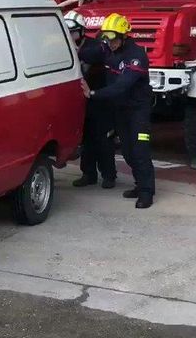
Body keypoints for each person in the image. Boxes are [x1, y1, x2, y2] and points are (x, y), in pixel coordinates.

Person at [79, 13, 156, 209]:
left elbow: (122, 86)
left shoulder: (136, 56)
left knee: (140, 151)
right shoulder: (108, 49)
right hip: (121, 110)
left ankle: (146, 192)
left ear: (123, 36)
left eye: (113, 39)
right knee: (128, 152)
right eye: (107, 38)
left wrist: (93, 93)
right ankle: (139, 185)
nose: (109, 44)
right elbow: (87, 54)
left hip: (138, 111)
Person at [65, 11, 117, 190]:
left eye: (72, 31)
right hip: (82, 101)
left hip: (100, 100)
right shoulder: (65, 46)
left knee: (103, 139)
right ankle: (88, 174)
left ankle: (109, 175)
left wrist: (74, 53)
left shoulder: (95, 46)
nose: (69, 35)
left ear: (81, 31)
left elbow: (94, 54)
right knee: (86, 139)